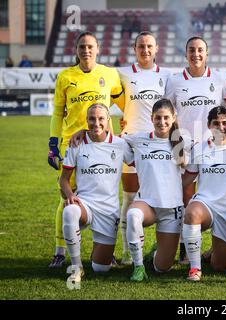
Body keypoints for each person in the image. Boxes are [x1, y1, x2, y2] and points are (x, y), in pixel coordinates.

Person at [48, 31, 123, 268]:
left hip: (102, 144)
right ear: (76, 50)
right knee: (68, 195)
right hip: (73, 143)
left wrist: (125, 129)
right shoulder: (65, 76)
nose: (86, 50)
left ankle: (104, 249)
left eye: (90, 46)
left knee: (105, 189)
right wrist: (53, 143)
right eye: (82, 47)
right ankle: (60, 250)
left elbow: (124, 104)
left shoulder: (110, 74)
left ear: (98, 49)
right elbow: (58, 113)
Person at [165, 36, 226, 264]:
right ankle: (185, 249)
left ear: (207, 53)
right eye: (192, 50)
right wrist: (176, 144)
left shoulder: (219, 79)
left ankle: (218, 248)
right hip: (185, 150)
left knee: (220, 197)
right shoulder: (175, 81)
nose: (196, 54)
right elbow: (168, 116)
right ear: (186, 54)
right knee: (185, 198)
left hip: (214, 150)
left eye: (200, 50)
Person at [60, 104, 131, 289]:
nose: (96, 123)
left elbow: (139, 162)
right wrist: (69, 195)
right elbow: (64, 180)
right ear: (86, 120)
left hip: (109, 210)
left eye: (101, 119)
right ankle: (76, 267)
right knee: (69, 212)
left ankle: (97, 255)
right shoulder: (76, 143)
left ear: (108, 121)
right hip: (85, 204)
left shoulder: (120, 144)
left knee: (101, 269)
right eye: (92, 119)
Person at [115, 31, 172, 265]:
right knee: (129, 198)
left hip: (161, 145)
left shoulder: (168, 76)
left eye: (149, 46)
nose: (145, 50)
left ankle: (162, 248)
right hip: (132, 144)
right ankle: (129, 254)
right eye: (141, 46)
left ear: (157, 48)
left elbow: (171, 110)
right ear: (134, 48)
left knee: (163, 199)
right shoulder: (122, 74)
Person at [182, 106, 226, 281]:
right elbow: (185, 181)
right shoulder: (199, 149)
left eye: (225, 123)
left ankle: (208, 256)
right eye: (216, 123)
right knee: (191, 213)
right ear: (209, 125)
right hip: (205, 204)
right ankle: (194, 268)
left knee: (220, 267)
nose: (221, 127)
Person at [124, 99, 185, 281]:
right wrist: (84, 131)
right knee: (133, 215)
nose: (162, 122)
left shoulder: (182, 141)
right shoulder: (138, 138)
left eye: (166, 118)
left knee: (162, 267)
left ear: (173, 118)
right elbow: (111, 138)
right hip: (147, 204)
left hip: (171, 209)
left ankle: (155, 253)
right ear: (151, 118)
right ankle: (138, 266)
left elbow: (211, 145)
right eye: (158, 118)